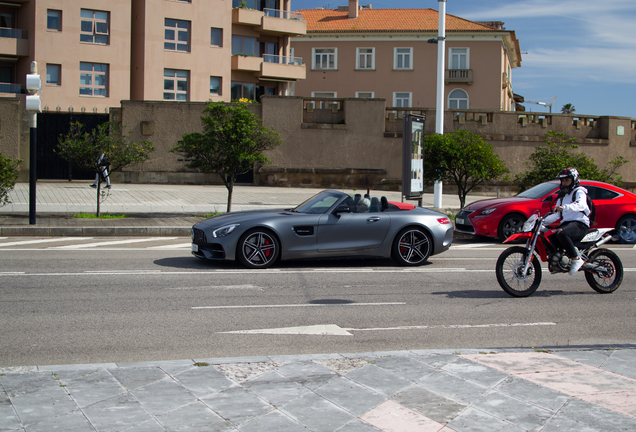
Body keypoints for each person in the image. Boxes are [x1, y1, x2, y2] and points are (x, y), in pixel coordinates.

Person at [543, 168, 590, 275]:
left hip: (580, 224)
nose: (564, 183)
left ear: (574, 180)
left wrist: (564, 207)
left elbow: (581, 205)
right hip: (567, 224)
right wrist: (541, 221)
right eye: (563, 181)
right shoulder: (563, 195)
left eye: (567, 180)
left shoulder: (579, 191)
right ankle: (559, 260)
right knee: (548, 233)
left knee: (562, 232)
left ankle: (576, 258)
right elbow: (557, 215)